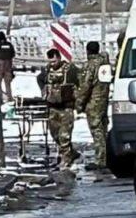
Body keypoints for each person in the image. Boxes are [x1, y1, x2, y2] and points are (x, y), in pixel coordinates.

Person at [37, 48, 80, 169]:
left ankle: (66, 159)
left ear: (59, 58)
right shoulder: (46, 70)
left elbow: (81, 80)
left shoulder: (70, 70)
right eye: (51, 62)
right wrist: (44, 90)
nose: (52, 64)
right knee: (54, 134)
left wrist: (77, 97)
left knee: (64, 135)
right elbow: (39, 79)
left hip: (66, 107)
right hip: (53, 107)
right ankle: (72, 153)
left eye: (54, 61)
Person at [76, 41, 112, 171]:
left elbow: (85, 87)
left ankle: (100, 160)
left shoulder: (90, 66)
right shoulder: (105, 64)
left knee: (96, 131)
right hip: (104, 100)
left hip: (93, 102)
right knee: (104, 130)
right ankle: (108, 157)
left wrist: (79, 103)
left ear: (88, 51)